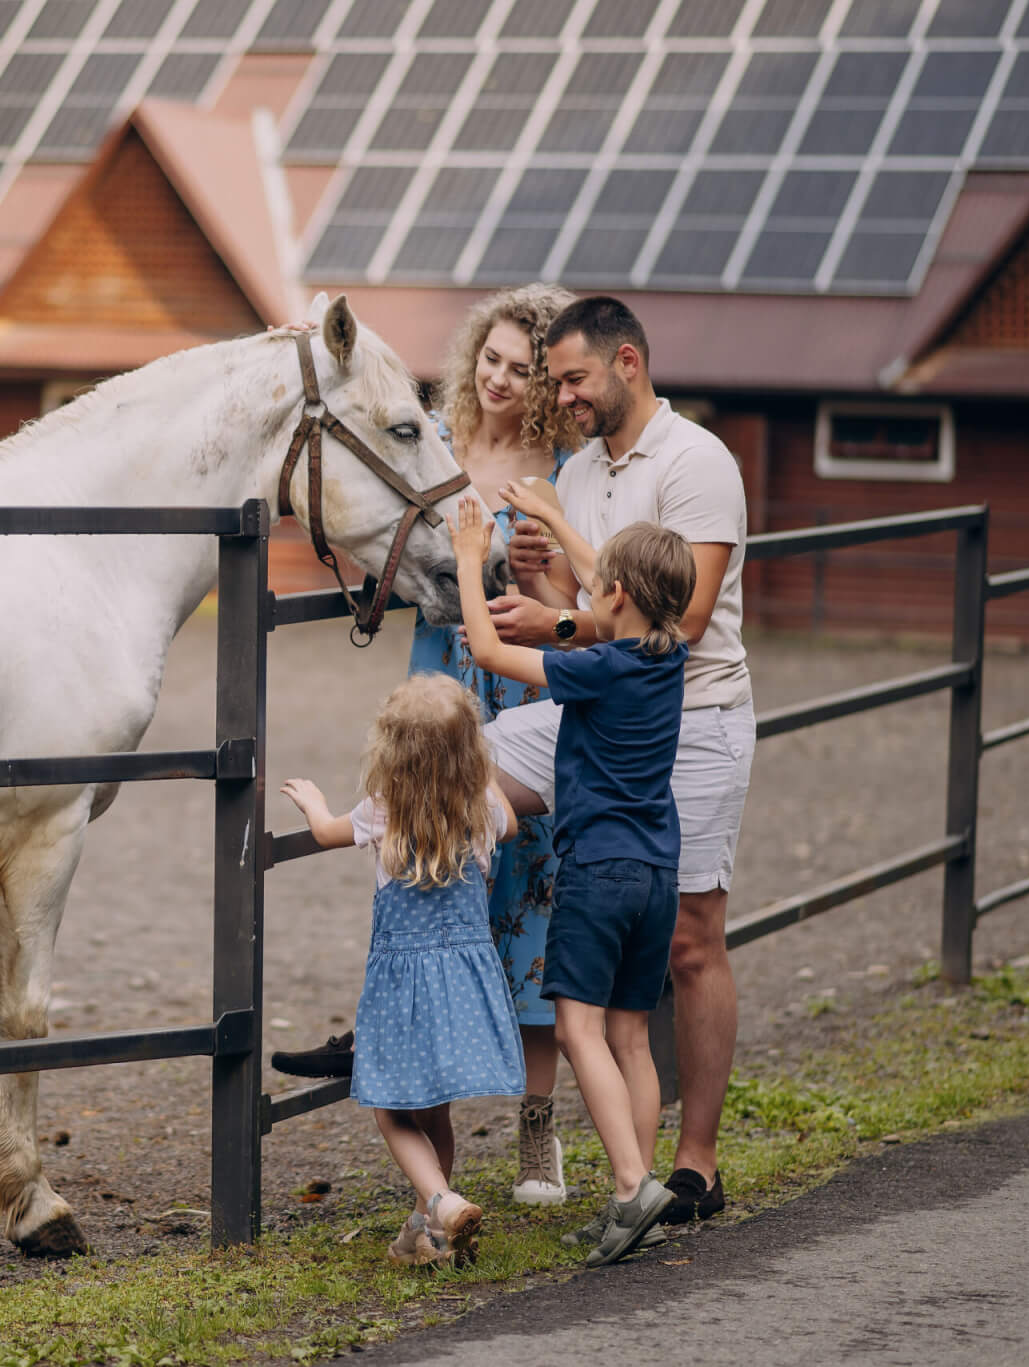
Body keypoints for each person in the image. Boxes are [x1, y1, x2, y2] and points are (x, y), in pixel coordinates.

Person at [272, 283, 581, 1209]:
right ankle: (431, 1136)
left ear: (543, 383)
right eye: (488, 358)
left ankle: (537, 1126)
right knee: (427, 882)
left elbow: (570, 589)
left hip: (514, 671)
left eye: (520, 369)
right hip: (438, 680)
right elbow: (397, 542)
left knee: (527, 896)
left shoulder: (560, 468)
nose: (497, 377)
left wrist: (537, 571)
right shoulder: (433, 440)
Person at [482, 296, 755, 1229]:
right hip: (595, 706)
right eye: (554, 381)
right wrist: (537, 577)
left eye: (571, 379)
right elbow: (585, 599)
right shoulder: (581, 467)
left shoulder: (697, 464)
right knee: (459, 773)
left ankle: (697, 1163)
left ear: (626, 362)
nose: (560, 398)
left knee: (690, 938)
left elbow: (681, 619)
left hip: (695, 717)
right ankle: (422, 969)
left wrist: (554, 620)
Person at [456, 507, 697, 1266]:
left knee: (577, 1029)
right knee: (630, 1036)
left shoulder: (600, 667)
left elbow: (492, 649)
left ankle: (630, 1186)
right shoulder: (671, 653)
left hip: (599, 868)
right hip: (660, 869)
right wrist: (567, 532)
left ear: (617, 594)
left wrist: (470, 557)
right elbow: (610, 584)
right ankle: (642, 1190)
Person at [279, 674, 525, 1268]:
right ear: (471, 751)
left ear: (390, 752)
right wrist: (476, 768)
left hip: (403, 989)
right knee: (435, 1109)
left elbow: (325, 831)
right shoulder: (484, 809)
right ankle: (429, 1232)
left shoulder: (380, 811)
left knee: (391, 1109)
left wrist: (312, 801)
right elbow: (513, 822)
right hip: (464, 984)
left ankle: (439, 1200)